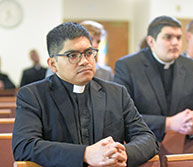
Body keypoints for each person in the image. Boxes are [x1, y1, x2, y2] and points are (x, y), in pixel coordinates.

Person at [12, 22, 158, 167]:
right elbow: (24, 146)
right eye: (72, 55)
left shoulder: (116, 93)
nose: (84, 61)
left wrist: (124, 153)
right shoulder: (33, 95)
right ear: (53, 64)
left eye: (89, 53)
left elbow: (147, 138)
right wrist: (85, 154)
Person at [113, 16, 193, 142]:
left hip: (186, 145)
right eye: (168, 37)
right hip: (145, 145)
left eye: (178, 38)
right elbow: (122, 116)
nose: (175, 42)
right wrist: (168, 123)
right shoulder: (128, 66)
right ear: (151, 41)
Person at [45, 21, 113, 81]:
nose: (95, 45)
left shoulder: (106, 72)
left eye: (98, 41)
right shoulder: (58, 67)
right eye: (91, 39)